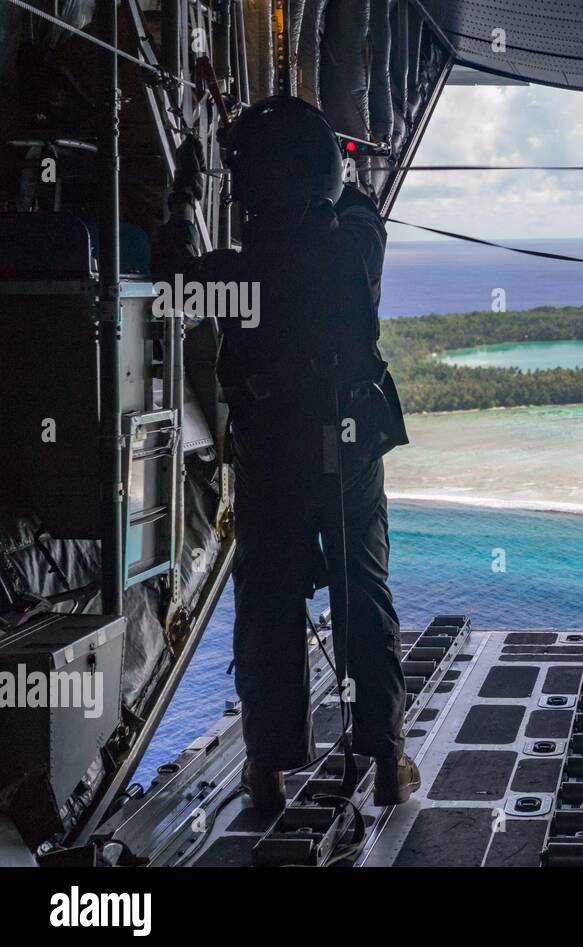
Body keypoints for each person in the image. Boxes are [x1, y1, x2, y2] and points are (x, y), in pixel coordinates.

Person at [156, 97, 418, 809]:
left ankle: (266, 770)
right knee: (362, 595)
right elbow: (356, 197)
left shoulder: (231, 274)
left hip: (272, 455)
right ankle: (388, 762)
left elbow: (169, 272)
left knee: (268, 606)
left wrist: (184, 187)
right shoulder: (360, 245)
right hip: (351, 448)